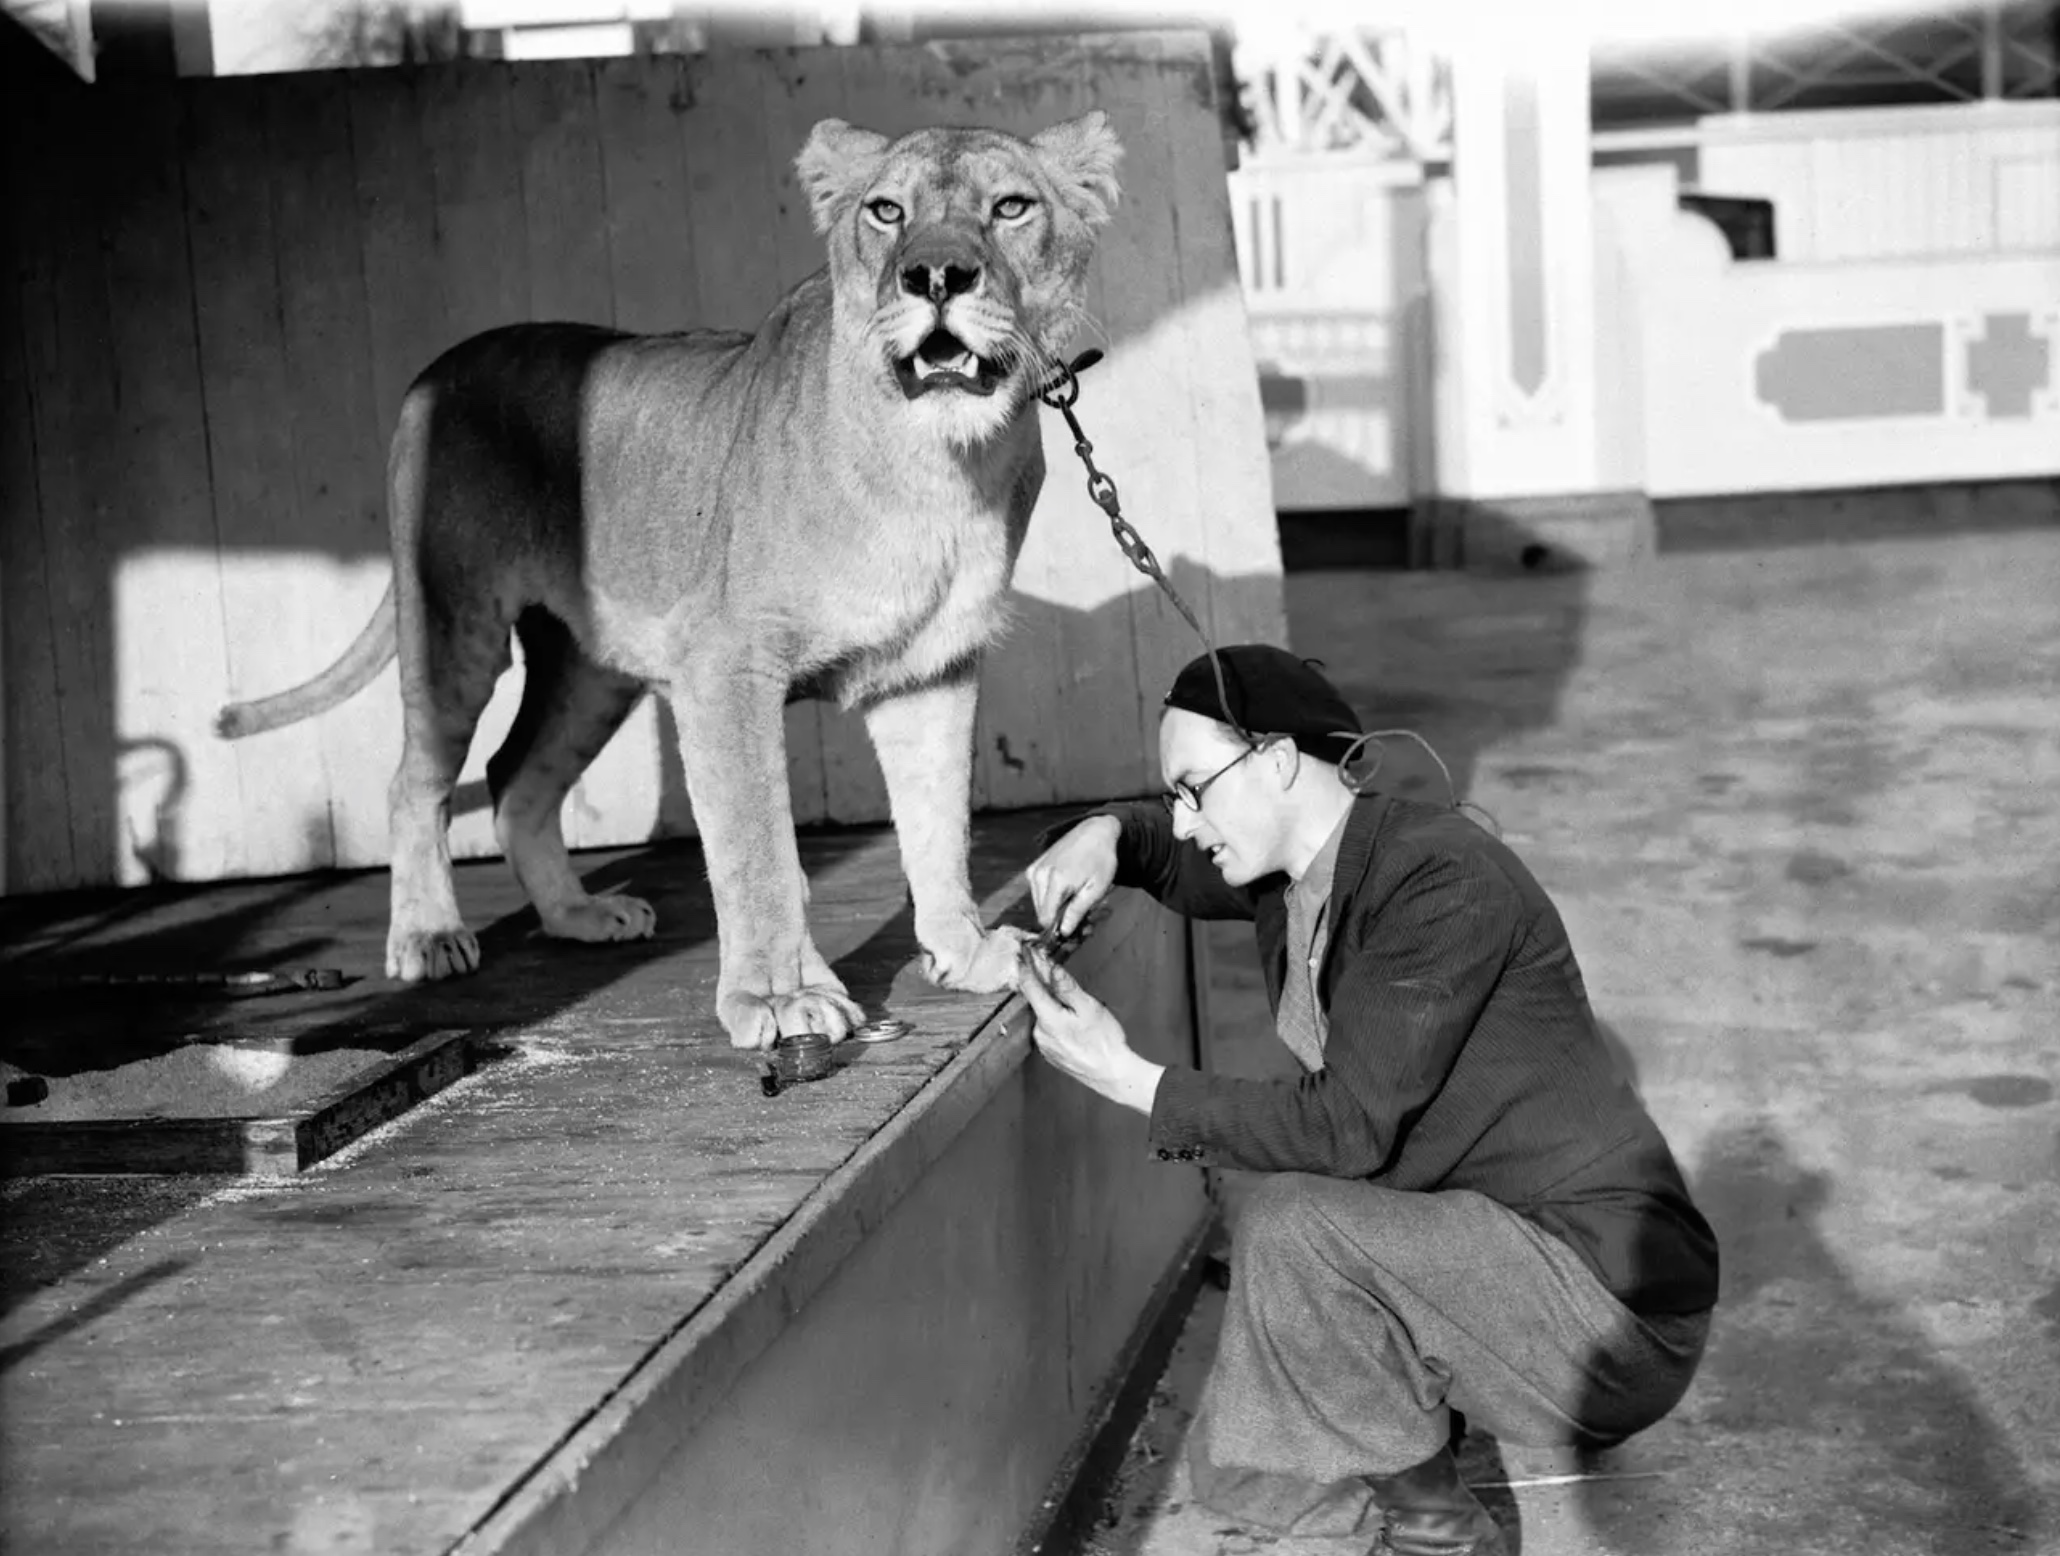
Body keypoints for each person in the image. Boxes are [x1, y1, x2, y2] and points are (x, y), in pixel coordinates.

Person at [1015, 644, 1718, 1556]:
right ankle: (1417, 1425)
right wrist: (1106, 829)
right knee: (1246, 1471)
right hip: (1501, 1266)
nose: (1184, 822)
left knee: (1292, 1226)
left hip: (1610, 1319)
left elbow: (1343, 1130)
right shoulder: (1297, 871)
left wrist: (1130, 1080)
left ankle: (1443, 1536)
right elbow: (1164, 855)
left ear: (1275, 761)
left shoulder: (1440, 882)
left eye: (1192, 790)